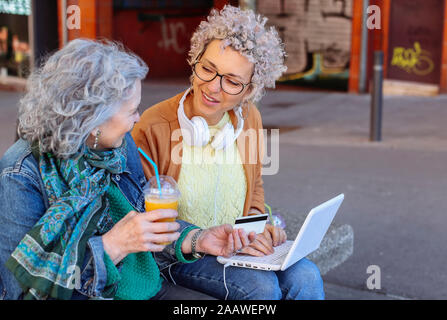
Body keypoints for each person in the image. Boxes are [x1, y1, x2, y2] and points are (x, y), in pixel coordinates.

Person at [0, 38, 255, 300]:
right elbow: (18, 292)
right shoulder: (20, 173)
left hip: (141, 286)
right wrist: (113, 245)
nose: (137, 118)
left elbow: (145, 219)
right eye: (132, 110)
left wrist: (196, 239)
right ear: (93, 119)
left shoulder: (118, 146)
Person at [132, 5, 325, 300]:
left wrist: (259, 232)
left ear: (249, 91)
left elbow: (255, 190)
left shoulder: (249, 118)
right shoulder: (154, 124)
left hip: (235, 249)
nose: (212, 87)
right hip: (179, 255)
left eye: (232, 82)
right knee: (260, 287)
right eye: (207, 69)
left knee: (306, 275)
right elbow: (139, 210)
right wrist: (200, 239)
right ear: (194, 59)